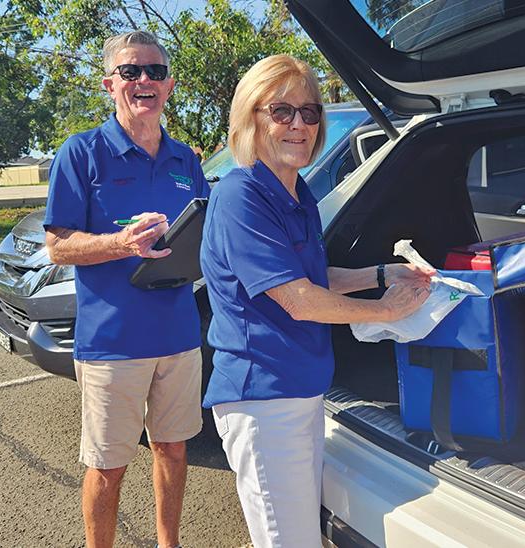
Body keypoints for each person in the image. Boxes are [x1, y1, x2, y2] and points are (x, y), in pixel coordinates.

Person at [200, 54, 433, 548]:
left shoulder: (296, 192)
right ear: (250, 117)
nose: (299, 124)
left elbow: (310, 276)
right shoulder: (241, 196)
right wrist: (387, 310)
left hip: (302, 390)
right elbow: (300, 300)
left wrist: (382, 273)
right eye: (281, 111)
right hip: (262, 400)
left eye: (309, 112)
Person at [43, 30, 209, 548]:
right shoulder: (81, 152)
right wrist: (121, 243)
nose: (144, 81)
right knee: (108, 467)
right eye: (131, 71)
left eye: (155, 72)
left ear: (169, 85)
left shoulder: (186, 160)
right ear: (109, 84)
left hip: (179, 335)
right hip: (112, 342)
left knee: (173, 450)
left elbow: (205, 231)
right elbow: (58, 246)